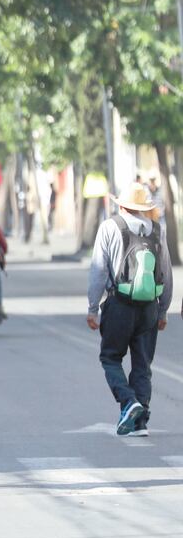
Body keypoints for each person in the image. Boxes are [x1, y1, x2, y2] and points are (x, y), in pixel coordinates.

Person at [87, 183, 172, 437]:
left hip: (119, 305)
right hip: (149, 308)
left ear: (121, 205)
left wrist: (92, 308)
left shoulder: (110, 227)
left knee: (110, 357)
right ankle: (140, 422)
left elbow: (98, 271)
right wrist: (164, 310)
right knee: (142, 364)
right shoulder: (157, 230)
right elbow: (166, 272)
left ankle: (128, 402)